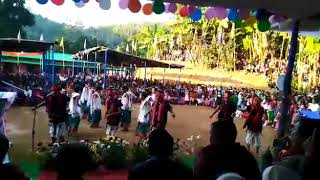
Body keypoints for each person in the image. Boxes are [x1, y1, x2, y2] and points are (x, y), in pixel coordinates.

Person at [194, 121, 261, 180]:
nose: (210, 137)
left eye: (212, 134)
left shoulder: (207, 155)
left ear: (216, 137)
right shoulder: (246, 156)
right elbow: (257, 177)